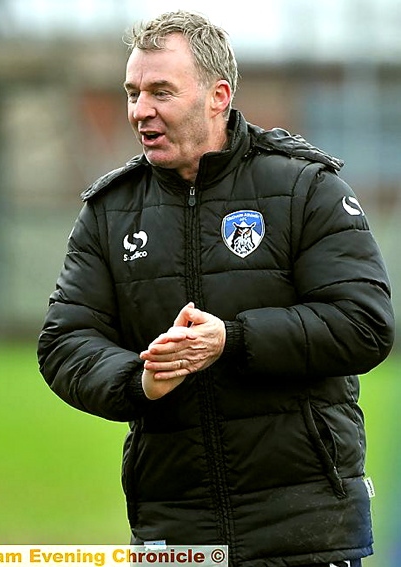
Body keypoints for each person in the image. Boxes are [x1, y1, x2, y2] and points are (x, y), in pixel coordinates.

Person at [37, 10, 395, 567]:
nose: (140, 111)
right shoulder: (110, 212)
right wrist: (140, 379)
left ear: (218, 96)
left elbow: (364, 325)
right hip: (176, 531)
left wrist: (232, 339)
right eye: (132, 92)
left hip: (304, 529)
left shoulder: (304, 188)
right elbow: (64, 343)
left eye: (160, 91)